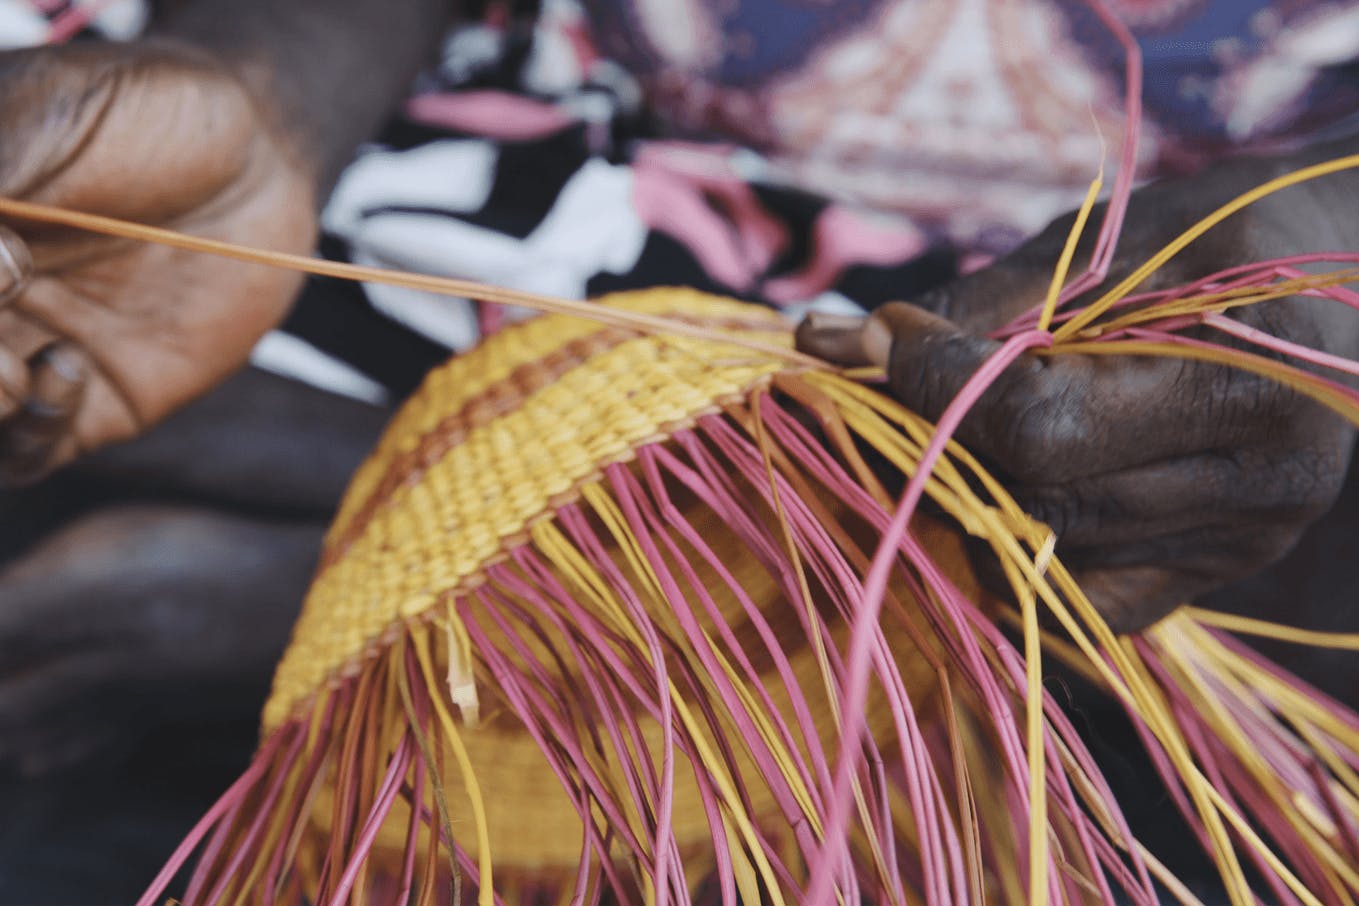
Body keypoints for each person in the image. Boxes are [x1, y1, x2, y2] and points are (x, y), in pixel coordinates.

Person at [1, 2, 1358, 892]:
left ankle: (563, 621)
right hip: (482, 153)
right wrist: (268, 94)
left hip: (1154, 377)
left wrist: (1312, 254)